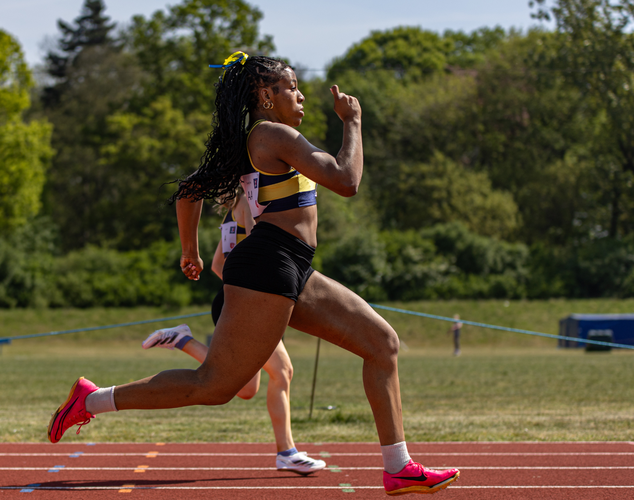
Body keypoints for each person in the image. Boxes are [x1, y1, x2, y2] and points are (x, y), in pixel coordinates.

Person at [47, 51, 459, 495]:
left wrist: (191, 252)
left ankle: (398, 467)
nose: (301, 97)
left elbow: (189, 190)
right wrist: (353, 122)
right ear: (265, 95)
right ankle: (89, 400)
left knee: (382, 343)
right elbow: (346, 180)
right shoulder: (270, 134)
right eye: (292, 88)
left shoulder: (250, 141)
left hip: (293, 264)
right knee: (216, 386)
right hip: (267, 262)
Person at [141, 188, 325, 475]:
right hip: (244, 305)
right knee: (282, 371)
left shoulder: (232, 211)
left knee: (245, 389)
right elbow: (261, 249)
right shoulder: (248, 205)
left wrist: (239, 289)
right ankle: (287, 452)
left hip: (234, 301)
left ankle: (181, 339)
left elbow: (218, 265)